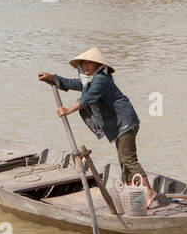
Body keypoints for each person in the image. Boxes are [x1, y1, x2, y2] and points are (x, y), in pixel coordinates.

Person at [38, 47, 153, 205]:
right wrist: (52, 78)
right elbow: (72, 83)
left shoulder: (101, 79)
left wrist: (67, 110)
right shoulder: (89, 80)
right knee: (123, 161)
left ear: (98, 66)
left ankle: (149, 192)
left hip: (125, 123)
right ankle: (135, 196)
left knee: (128, 159)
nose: (86, 66)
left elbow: (88, 99)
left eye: (90, 63)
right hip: (120, 126)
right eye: (84, 63)